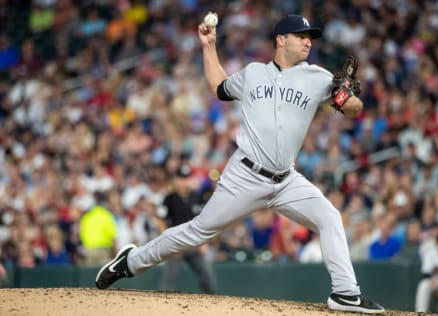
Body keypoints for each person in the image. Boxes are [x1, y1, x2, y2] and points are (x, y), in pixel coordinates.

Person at [95, 14, 384, 314]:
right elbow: (219, 87)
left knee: (329, 217)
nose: (308, 41)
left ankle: (346, 293)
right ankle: (129, 262)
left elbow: (353, 108)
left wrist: (346, 98)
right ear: (281, 40)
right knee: (197, 232)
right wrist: (209, 46)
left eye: (310, 36)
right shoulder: (254, 73)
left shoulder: (319, 77)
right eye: (301, 35)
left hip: (286, 180)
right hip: (245, 175)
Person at [159, 164, 215, 294]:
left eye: (186, 178)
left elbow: (204, 221)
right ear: (176, 180)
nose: (183, 182)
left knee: (207, 279)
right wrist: (167, 240)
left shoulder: (196, 197)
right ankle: (162, 307)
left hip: (194, 243)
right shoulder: (170, 198)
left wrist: (203, 242)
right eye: (181, 178)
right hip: (176, 244)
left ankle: (213, 306)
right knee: (169, 282)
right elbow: (161, 220)